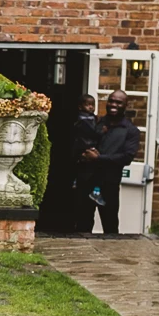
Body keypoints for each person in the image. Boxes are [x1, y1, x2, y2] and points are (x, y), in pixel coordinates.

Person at [80, 90, 141, 234]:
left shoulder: (131, 130)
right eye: (111, 101)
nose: (113, 105)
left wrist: (99, 158)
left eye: (118, 102)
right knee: (82, 225)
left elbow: (127, 157)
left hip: (109, 185)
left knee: (110, 226)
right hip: (88, 181)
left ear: (125, 105)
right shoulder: (97, 122)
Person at [71, 93, 101, 232]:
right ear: (80, 106)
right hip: (83, 149)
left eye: (93, 105)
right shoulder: (82, 119)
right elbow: (89, 132)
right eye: (87, 104)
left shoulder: (94, 118)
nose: (91, 107)